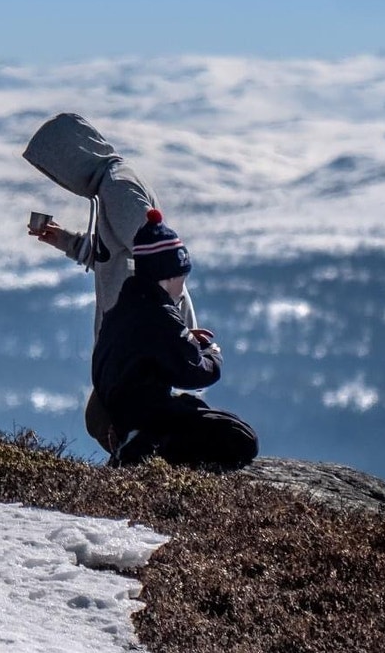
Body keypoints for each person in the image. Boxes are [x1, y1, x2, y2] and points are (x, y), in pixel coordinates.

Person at [22, 111, 196, 447]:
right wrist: (67, 241)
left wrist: (158, 325)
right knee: (109, 418)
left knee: (108, 418)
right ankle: (146, 466)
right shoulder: (113, 184)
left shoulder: (118, 189)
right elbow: (115, 257)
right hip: (139, 331)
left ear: (74, 159)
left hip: (139, 334)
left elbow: (157, 259)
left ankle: (146, 469)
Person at [91, 209, 257, 470]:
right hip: (146, 416)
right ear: (167, 276)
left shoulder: (121, 309)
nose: (182, 286)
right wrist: (212, 352)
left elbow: (148, 352)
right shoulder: (160, 314)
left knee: (194, 407)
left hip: (121, 412)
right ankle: (145, 447)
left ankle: (140, 442)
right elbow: (195, 374)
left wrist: (186, 339)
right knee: (242, 437)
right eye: (182, 278)